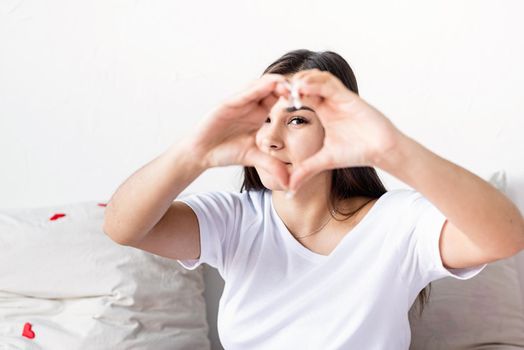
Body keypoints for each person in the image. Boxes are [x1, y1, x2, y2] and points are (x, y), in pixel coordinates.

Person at [103, 49, 524, 349]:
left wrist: (390, 150)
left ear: (336, 129)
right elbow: (122, 227)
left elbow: (503, 237)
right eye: (264, 120)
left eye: (297, 119)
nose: (271, 137)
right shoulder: (232, 219)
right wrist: (194, 152)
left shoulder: (396, 222)